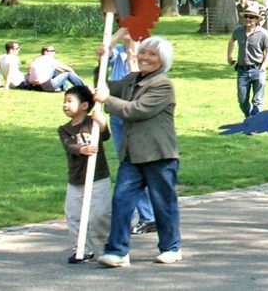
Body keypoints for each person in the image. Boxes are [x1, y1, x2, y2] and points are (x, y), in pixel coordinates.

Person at [95, 36, 182, 267]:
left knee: (163, 203)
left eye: (152, 54)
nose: (145, 57)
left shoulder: (163, 84)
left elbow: (137, 110)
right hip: (132, 155)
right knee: (122, 201)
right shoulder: (131, 79)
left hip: (159, 155)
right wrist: (105, 59)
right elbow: (105, 88)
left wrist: (108, 101)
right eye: (143, 52)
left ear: (162, 60)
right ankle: (117, 251)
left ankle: (171, 247)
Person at [101, 28, 156, 235]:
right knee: (128, 164)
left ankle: (149, 215)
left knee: (135, 166)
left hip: (132, 113)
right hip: (117, 113)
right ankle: (148, 215)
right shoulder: (119, 54)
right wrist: (116, 37)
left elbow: (136, 71)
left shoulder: (145, 59)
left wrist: (128, 34)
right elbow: (105, 52)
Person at [58, 85, 112, 264]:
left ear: (84, 105)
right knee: (73, 215)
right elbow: (69, 145)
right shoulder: (65, 129)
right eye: (64, 101)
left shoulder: (92, 123)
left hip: (98, 177)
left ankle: (108, 246)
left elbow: (105, 136)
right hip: (76, 179)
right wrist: (83, 148)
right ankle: (81, 249)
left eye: (69, 101)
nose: (65, 105)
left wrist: (102, 122)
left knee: (99, 215)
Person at [227, 3, 268, 118]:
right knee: (242, 100)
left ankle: (253, 123)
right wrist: (229, 57)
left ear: (257, 19)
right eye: (246, 16)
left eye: (251, 17)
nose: (248, 19)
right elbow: (232, 41)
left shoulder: (263, 34)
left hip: (257, 69)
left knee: (257, 100)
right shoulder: (238, 30)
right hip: (242, 70)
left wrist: (263, 67)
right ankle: (249, 118)